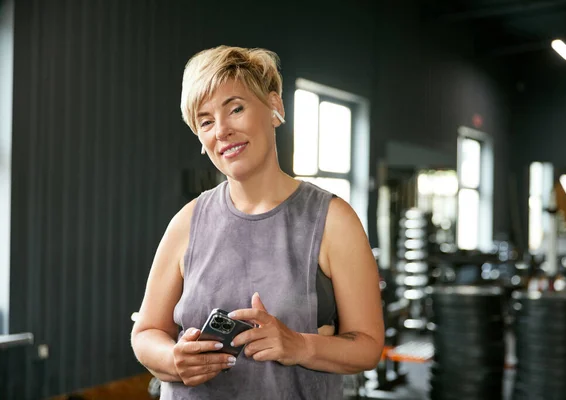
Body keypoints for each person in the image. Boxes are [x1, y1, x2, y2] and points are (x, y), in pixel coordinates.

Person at [130, 45, 384, 400]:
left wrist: (299, 345)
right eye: (205, 121)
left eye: (235, 108)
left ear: (274, 107)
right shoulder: (187, 222)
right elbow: (145, 333)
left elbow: (368, 346)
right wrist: (174, 360)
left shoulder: (332, 220)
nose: (222, 131)